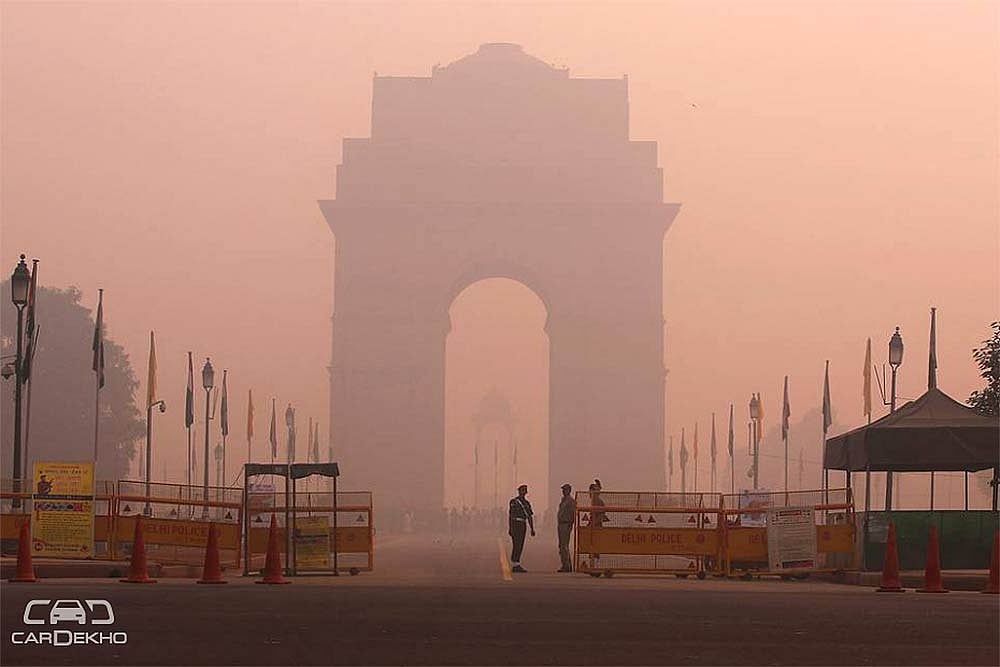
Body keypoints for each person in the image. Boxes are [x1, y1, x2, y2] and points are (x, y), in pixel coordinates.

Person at [508, 484, 535, 573]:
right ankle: (515, 563)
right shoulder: (514, 502)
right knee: (516, 544)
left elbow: (529, 517)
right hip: (515, 524)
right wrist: (510, 528)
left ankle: (516, 562)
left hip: (523, 524)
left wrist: (532, 528)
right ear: (519, 491)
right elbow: (511, 516)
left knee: (520, 544)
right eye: (522, 490)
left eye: (525, 491)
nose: (523, 492)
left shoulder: (527, 503)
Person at [556, 483, 576, 572]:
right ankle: (565, 565)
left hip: (566, 524)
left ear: (569, 490)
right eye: (563, 490)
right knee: (561, 545)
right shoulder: (563, 500)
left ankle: (567, 566)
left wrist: (570, 524)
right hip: (561, 524)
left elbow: (573, 514)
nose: (563, 491)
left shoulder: (571, 501)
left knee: (564, 546)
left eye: (565, 489)